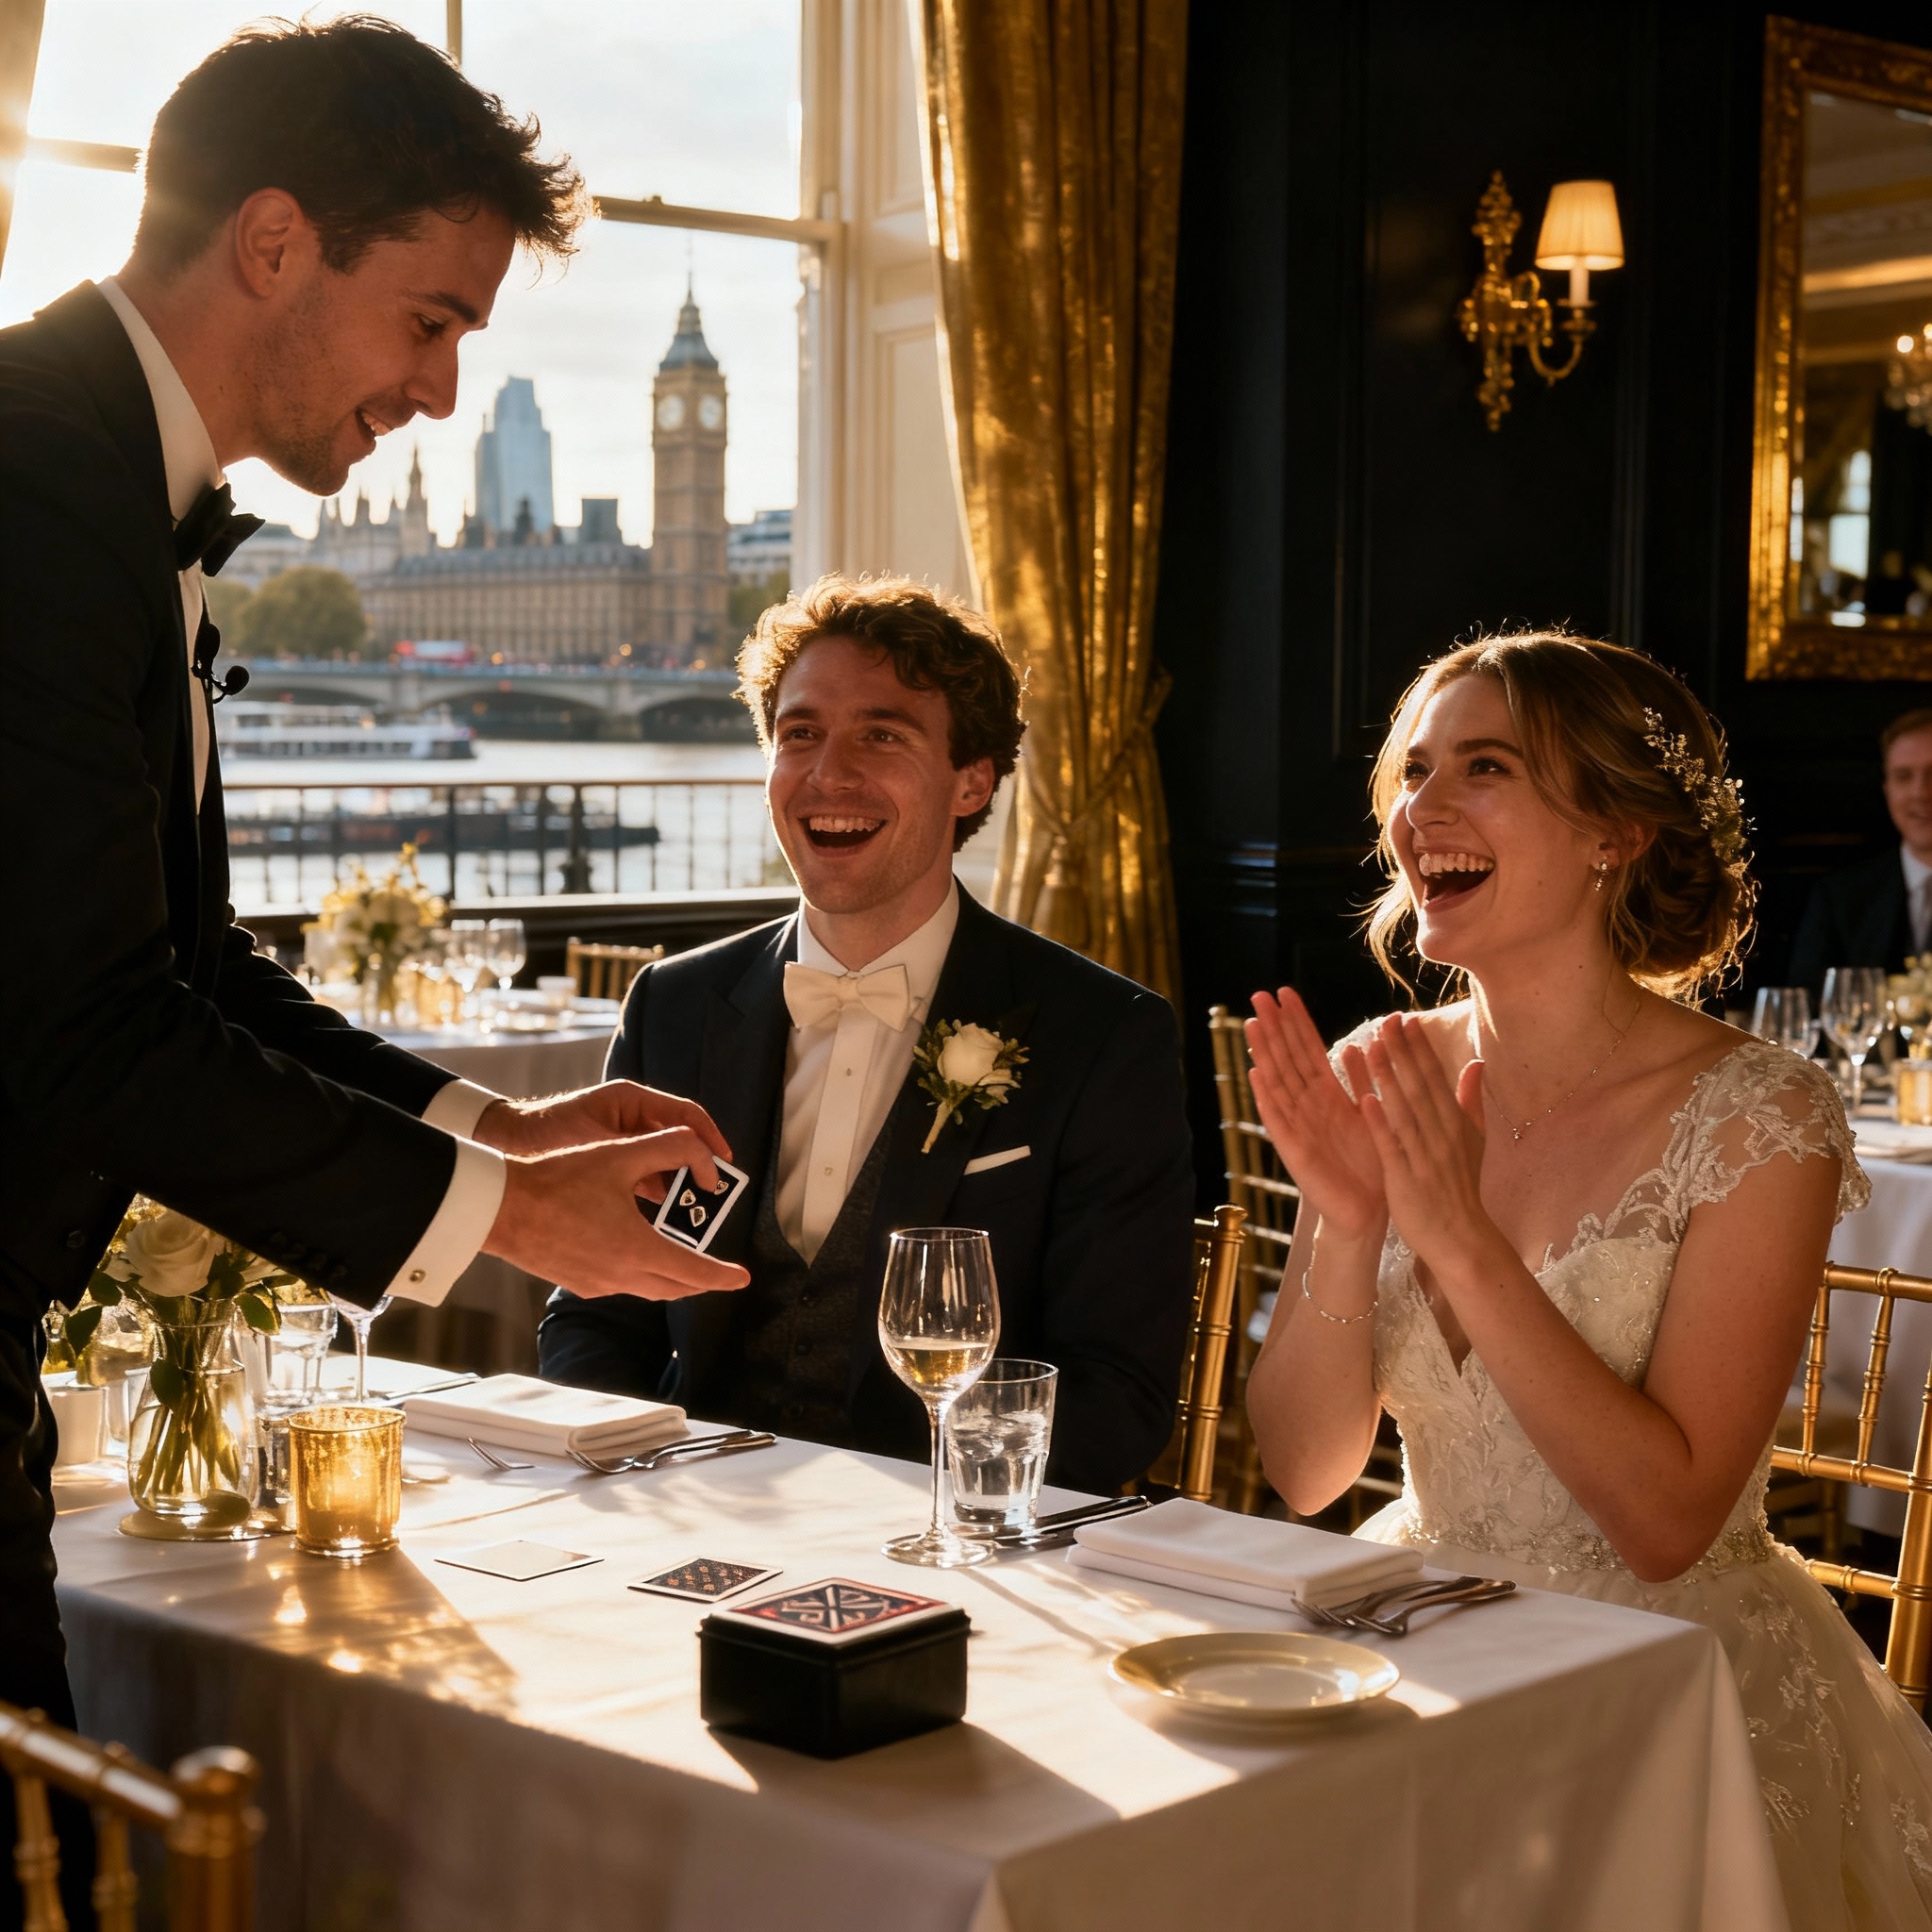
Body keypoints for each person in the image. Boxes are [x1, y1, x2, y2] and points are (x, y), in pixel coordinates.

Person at [0, 23, 747, 1924]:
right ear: (270, 243)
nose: (440, 384)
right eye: (428, 318)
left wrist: (502, 1124)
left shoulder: (100, 478)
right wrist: (500, 1216)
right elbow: (89, 1031)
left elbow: (191, 971)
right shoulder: (38, 479)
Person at [1243, 630, 1932, 1929]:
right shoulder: (1380, 1062)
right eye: (1414, 770)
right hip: (1415, 1643)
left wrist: (1458, 1238)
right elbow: (1304, 1471)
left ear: (1614, 830)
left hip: (1658, 1683)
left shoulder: (1759, 1115)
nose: (1418, 812)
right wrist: (1345, 1222)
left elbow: (1665, 1529)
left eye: (1484, 767)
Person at [539, 575, 1196, 1493]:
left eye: (879, 735)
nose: (825, 774)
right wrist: (634, 1482)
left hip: (954, 1553)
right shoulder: (674, 1005)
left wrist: (907, 1518)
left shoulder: (1100, 1035)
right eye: (798, 733)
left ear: (971, 779)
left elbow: (1113, 1397)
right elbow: (596, 1313)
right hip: (682, 1520)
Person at [1789, 707, 1932, 991]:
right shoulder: (1839, 898)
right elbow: (1808, 1006)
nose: (1920, 792)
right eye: (1904, 776)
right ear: (1887, 789)